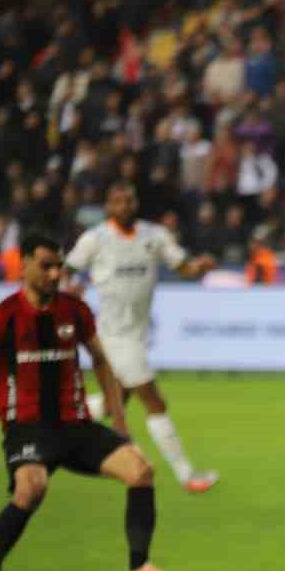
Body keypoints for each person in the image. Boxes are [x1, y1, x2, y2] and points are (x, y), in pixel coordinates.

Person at [0, 234, 184, 571]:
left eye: (58, 265)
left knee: (141, 471)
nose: (56, 273)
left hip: (75, 425)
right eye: (46, 265)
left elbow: (102, 361)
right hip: (26, 426)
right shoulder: (4, 316)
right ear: (23, 265)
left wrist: (118, 418)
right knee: (31, 489)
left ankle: (138, 570)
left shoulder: (74, 310)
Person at [66, 183, 219, 492]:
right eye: (117, 201)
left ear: (136, 203)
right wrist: (70, 289)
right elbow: (65, 269)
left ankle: (58, 415)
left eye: (129, 200)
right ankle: (187, 476)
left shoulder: (154, 235)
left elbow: (183, 267)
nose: (124, 206)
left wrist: (199, 269)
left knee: (112, 405)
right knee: (154, 400)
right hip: (112, 335)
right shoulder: (95, 239)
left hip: (136, 334)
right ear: (108, 207)